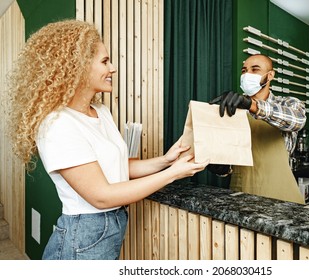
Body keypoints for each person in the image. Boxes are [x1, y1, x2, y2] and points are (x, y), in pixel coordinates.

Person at [5, 19, 208, 260]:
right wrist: (173, 174)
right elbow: (101, 196)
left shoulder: (101, 112)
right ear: (76, 66)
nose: (112, 68)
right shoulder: (57, 124)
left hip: (111, 225)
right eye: (104, 61)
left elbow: (119, 168)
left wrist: (167, 160)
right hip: (84, 233)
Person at [209, 54, 306, 204]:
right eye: (244, 71)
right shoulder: (232, 110)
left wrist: (251, 105)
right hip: (241, 195)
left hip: (282, 197)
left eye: (255, 70)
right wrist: (221, 168)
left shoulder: (287, 103)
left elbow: (298, 120)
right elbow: (230, 162)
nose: (247, 74)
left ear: (270, 75)